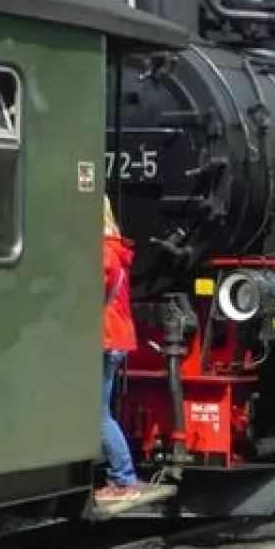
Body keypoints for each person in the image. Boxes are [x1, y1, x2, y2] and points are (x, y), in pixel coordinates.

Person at [95, 197, 176, 511]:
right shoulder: (116, 248)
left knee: (96, 414)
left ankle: (123, 478)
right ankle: (121, 476)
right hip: (115, 337)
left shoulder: (102, 254)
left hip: (105, 338)